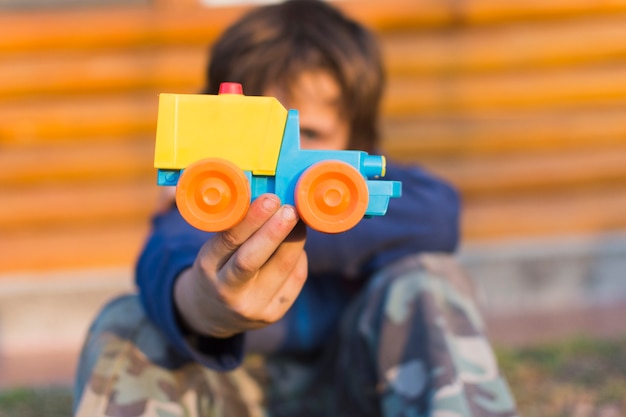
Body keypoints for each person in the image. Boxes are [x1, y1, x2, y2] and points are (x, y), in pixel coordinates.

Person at [73, 1, 518, 416]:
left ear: (358, 140)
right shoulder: (196, 209)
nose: (296, 147)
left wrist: (294, 224)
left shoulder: (371, 187)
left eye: (311, 131)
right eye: (269, 131)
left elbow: (436, 214)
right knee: (128, 318)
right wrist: (201, 298)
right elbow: (168, 252)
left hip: (361, 383)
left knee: (427, 279)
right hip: (230, 386)